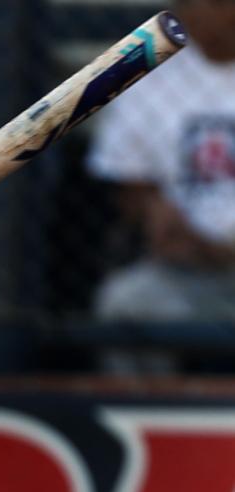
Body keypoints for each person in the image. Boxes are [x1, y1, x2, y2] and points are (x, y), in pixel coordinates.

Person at [86, 0, 235, 320]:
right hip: (187, 269)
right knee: (127, 301)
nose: (228, 14)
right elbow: (132, 188)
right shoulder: (147, 75)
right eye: (217, 4)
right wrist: (160, 218)